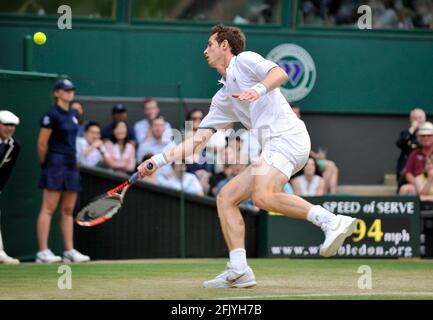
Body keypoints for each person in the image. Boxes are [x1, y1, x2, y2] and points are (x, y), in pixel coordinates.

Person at [137, 25, 356, 288]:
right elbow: (196, 141)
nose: (205, 50)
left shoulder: (245, 60)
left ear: (225, 46)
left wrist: (258, 90)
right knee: (226, 197)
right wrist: (157, 161)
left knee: (263, 196)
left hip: (288, 138)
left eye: (210, 44)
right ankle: (239, 270)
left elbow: (280, 73)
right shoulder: (222, 99)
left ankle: (331, 221)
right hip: (275, 146)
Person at [36, 79, 90, 263]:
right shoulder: (51, 115)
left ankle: (69, 251)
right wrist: (47, 165)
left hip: (70, 164)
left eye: (71, 90)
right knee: (49, 208)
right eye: (65, 90)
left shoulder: (73, 114)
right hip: (55, 163)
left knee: (68, 209)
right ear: (57, 93)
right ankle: (43, 252)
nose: (69, 93)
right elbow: (42, 144)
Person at [0, 110, 21, 264]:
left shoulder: (15, 146)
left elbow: (6, 171)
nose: (9, 128)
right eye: (6, 124)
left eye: (12, 125)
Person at [399, 121, 433, 195]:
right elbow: (408, 174)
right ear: (419, 138)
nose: (426, 138)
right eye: (423, 136)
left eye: (429, 135)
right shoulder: (414, 154)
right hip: (417, 183)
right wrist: (419, 185)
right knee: (405, 189)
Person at [396, 108, 425, 188]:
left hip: (423, 166)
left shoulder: (428, 135)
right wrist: (412, 129)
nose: (417, 120)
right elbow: (399, 143)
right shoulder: (406, 133)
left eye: (420, 118)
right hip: (407, 166)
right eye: (415, 118)